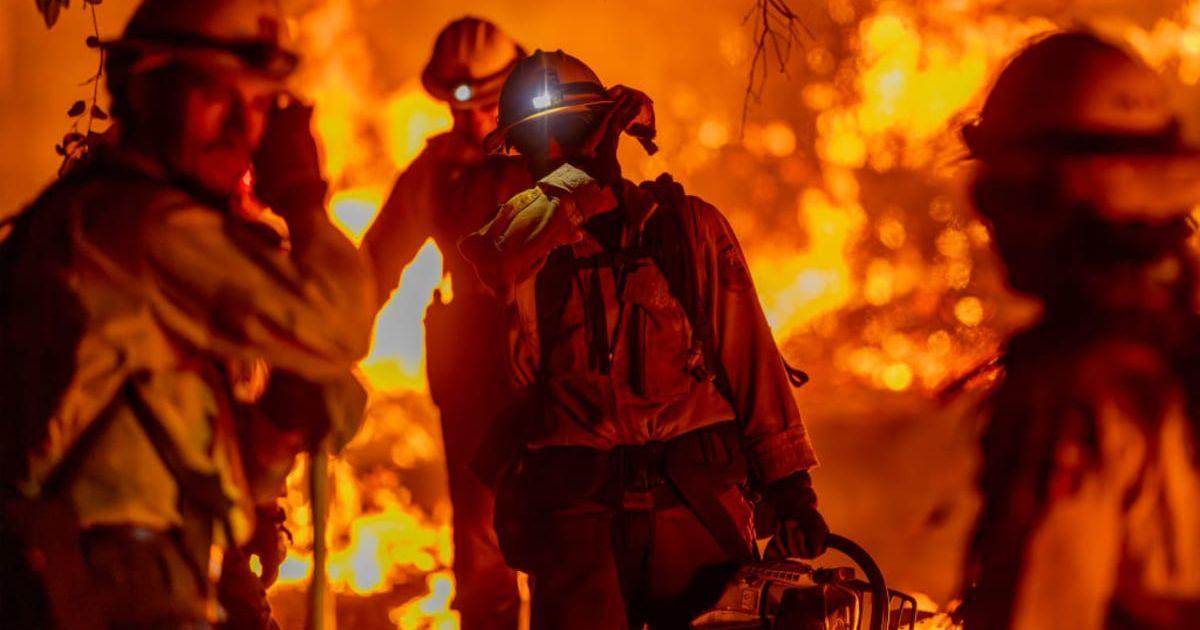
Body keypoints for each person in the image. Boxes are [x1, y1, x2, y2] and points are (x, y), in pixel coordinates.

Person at [0, 0, 373, 627]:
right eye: (216, 96)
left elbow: (161, 466)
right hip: (104, 585)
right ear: (144, 88)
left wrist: (275, 428)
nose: (241, 130)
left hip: (121, 575)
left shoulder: (121, 229)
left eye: (257, 105)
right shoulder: (141, 227)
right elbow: (339, 321)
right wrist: (303, 196)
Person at [459, 49, 827, 629]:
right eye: (535, 143)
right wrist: (584, 179)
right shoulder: (520, 237)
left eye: (567, 132)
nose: (550, 153)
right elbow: (496, 263)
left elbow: (750, 357)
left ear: (603, 128)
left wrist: (791, 489)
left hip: (696, 510)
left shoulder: (689, 228)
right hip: (579, 522)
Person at [961, 32, 1200, 630]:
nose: (991, 219)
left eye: (1004, 187)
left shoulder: (1075, 388)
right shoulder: (1178, 342)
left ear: (1058, 190)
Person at [359, 17, 529, 630]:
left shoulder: (567, 158)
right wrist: (325, 337)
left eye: (491, 105)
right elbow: (377, 264)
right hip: (476, 375)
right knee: (483, 547)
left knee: (578, 545)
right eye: (465, 109)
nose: (479, 122)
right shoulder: (438, 171)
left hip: (568, 371)